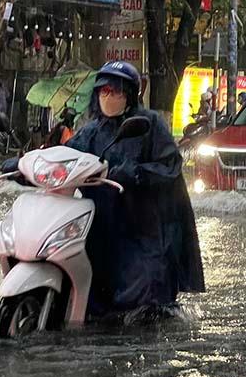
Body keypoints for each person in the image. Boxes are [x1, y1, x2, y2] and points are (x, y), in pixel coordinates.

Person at [65, 61, 205, 321]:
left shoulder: (150, 125)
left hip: (142, 231)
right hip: (100, 227)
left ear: (129, 94)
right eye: (104, 91)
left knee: (144, 309)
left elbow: (169, 166)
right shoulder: (91, 131)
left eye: (116, 91)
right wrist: (28, 163)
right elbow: (66, 157)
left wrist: (129, 172)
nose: (109, 96)